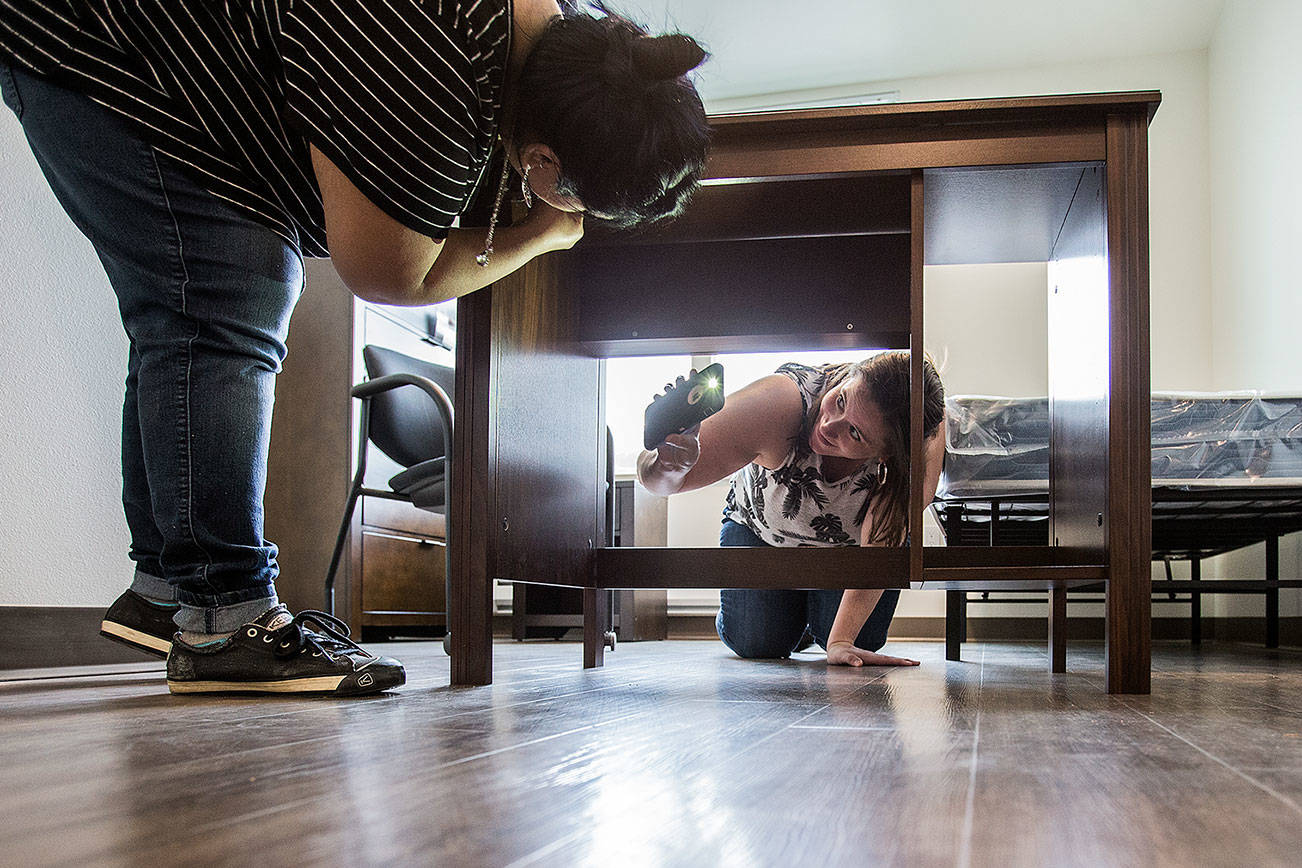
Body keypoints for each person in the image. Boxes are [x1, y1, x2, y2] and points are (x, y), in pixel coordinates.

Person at [0, 0, 710, 695]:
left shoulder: (555, 33)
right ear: (544, 161)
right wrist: (538, 235)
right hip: (97, 41)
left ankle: (168, 590)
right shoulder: (433, 67)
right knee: (227, 289)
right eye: (578, 203)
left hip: (152, 49)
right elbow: (393, 273)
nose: (572, 216)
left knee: (187, 308)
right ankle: (225, 618)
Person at [637, 353, 946, 668]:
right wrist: (669, 464)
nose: (829, 426)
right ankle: (794, 618)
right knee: (756, 644)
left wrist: (840, 641)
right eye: (840, 401)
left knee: (858, 643)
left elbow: (883, 542)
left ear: (885, 455)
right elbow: (656, 481)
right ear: (850, 377)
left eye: (854, 433)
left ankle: (814, 622)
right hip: (761, 530)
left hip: (850, 551)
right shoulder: (779, 402)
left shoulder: (914, 451)